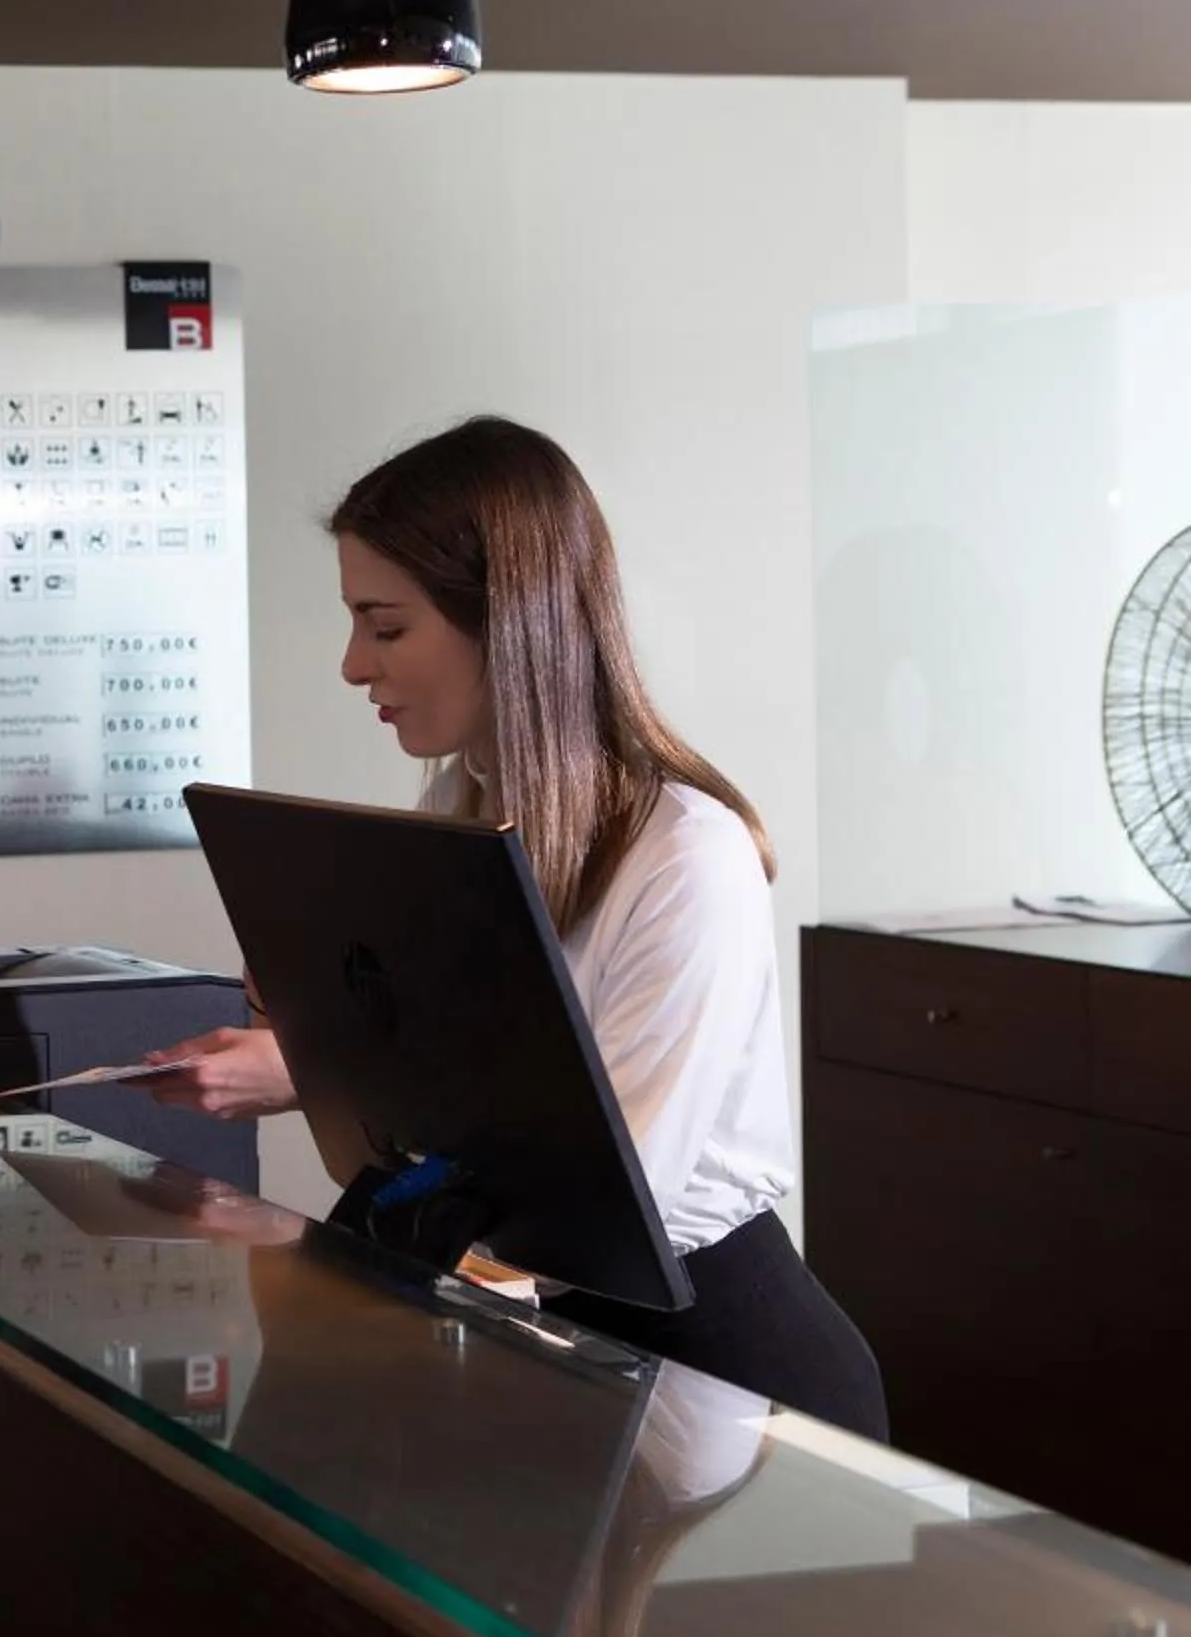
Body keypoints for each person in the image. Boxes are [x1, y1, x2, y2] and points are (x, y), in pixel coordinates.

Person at [137, 417, 887, 1439]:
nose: (354, 665)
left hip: (725, 1372)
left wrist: (347, 1074)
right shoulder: (463, 815)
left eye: (385, 627)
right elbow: (477, 1102)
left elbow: (600, 1200)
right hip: (570, 1347)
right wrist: (320, 1051)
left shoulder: (688, 856)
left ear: (509, 621)